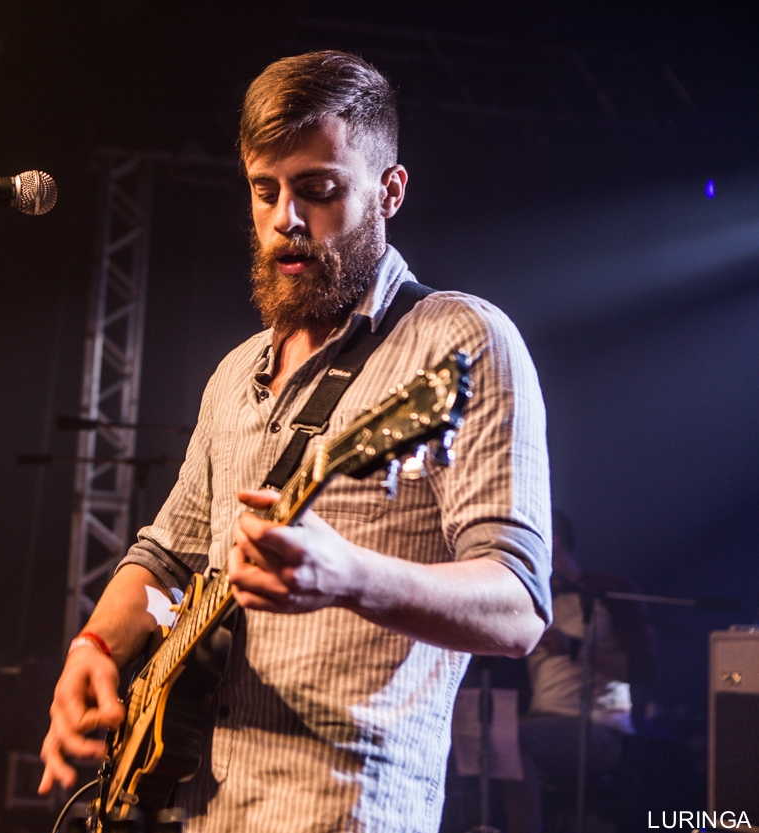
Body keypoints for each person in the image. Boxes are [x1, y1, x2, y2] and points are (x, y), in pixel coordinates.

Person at [38, 50, 553, 832]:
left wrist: (350, 576)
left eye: (318, 190)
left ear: (390, 191)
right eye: (264, 190)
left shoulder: (461, 339)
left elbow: (519, 605)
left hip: (342, 809)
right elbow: (166, 557)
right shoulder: (235, 371)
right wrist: (96, 647)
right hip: (191, 802)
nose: (286, 217)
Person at [504, 511, 656, 833]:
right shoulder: (535, 600)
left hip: (598, 726)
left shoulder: (609, 591)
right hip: (542, 720)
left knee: (512, 741)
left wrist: (576, 649)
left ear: (552, 542)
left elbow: (642, 670)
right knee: (477, 737)